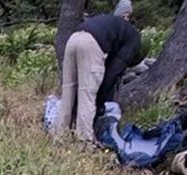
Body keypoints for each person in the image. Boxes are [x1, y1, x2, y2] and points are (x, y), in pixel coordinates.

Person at [51, 0, 143, 141]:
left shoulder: (113, 24)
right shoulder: (135, 40)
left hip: (74, 38)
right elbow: (114, 71)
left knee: (68, 90)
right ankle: (84, 140)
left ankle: (59, 135)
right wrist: (100, 101)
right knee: (87, 94)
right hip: (91, 43)